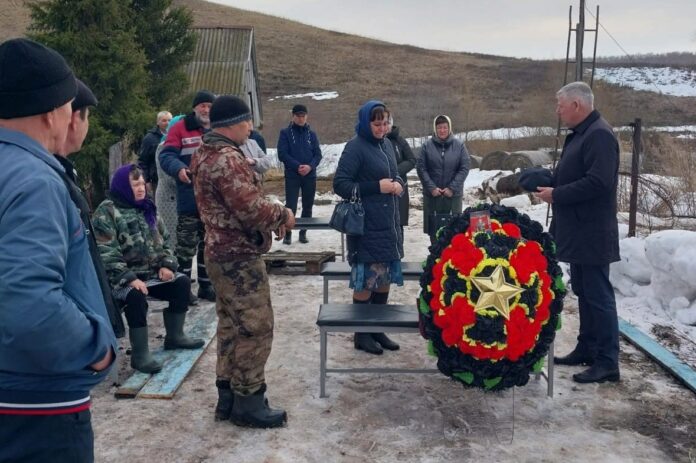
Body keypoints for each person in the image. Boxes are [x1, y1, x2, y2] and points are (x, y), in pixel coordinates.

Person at [0, 38, 115, 463]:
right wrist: (97, 348)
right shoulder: (34, 182)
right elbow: (29, 304)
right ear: (52, 111)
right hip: (35, 408)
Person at [191, 95, 296, 428]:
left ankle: (228, 396)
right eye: (247, 121)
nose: (251, 127)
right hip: (238, 259)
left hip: (219, 254)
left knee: (230, 326)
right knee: (255, 326)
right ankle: (248, 401)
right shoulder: (226, 159)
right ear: (234, 123)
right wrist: (283, 213)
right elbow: (251, 209)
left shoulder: (204, 153)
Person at [536, 81, 621, 384]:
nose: (557, 111)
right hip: (579, 231)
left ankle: (608, 360)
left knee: (599, 296)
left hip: (593, 232)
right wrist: (548, 181)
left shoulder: (599, 135)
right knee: (584, 291)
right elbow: (573, 175)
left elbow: (598, 182)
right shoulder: (581, 134)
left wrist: (557, 194)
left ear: (576, 105)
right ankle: (587, 347)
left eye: (560, 105)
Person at [93, 164, 204, 374]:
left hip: (151, 276)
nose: (141, 188)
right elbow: (105, 252)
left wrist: (166, 264)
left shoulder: (148, 208)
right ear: (123, 186)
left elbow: (164, 242)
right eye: (135, 184)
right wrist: (128, 278)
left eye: (143, 183)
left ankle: (175, 336)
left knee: (180, 283)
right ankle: (140, 355)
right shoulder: (106, 212)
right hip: (120, 280)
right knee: (134, 296)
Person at [53, 78, 126, 339]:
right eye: (87, 117)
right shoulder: (42, 183)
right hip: (65, 347)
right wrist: (92, 343)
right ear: (73, 119)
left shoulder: (59, 173)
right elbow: (33, 288)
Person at [333, 100, 405, 355]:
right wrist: (377, 187)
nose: (382, 128)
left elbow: (392, 173)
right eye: (377, 124)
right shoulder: (355, 147)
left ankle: (376, 329)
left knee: (383, 279)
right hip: (366, 227)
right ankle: (361, 334)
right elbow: (340, 185)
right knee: (367, 281)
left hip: (388, 226)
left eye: (386, 123)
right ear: (366, 123)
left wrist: (397, 183)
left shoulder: (386, 144)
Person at [159, 90, 217, 303]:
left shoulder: (218, 128)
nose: (206, 109)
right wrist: (179, 169)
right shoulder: (180, 127)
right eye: (202, 105)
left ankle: (206, 285)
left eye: (209, 105)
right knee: (185, 247)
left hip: (213, 200)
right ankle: (182, 287)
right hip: (189, 198)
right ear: (194, 108)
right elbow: (166, 156)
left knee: (208, 244)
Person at [416, 114, 471, 244]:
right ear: (435, 129)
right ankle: (435, 257)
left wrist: (452, 188)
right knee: (434, 230)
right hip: (433, 196)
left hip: (453, 196)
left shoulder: (459, 146)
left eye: (445, 127)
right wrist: (432, 188)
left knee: (453, 229)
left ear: (449, 128)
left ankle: (450, 259)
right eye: (439, 127)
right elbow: (421, 168)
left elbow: (464, 167)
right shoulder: (426, 146)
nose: (442, 130)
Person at [277, 104, 322, 244]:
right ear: (293, 116)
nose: (301, 118)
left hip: (310, 175)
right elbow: (282, 154)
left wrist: (310, 166)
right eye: (298, 116)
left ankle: (303, 232)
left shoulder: (312, 134)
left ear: (306, 116)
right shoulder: (285, 133)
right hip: (292, 175)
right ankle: (288, 233)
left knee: (308, 205)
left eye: (303, 116)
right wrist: (297, 166)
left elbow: (318, 155)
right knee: (291, 205)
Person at [386, 116, 416, 231]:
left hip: (400, 187)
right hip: (382, 188)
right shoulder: (375, 142)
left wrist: (395, 171)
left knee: (398, 224)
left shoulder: (400, 141)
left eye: (388, 123)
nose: (385, 126)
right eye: (382, 123)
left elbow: (412, 160)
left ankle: (399, 248)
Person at [138, 110, 172, 192]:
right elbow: (143, 161)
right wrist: (146, 180)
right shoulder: (149, 138)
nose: (167, 123)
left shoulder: (176, 135)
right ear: (158, 122)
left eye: (169, 120)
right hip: (157, 180)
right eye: (164, 120)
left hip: (173, 178)